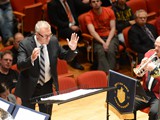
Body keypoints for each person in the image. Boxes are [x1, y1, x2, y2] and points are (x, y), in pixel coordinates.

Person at [14, 20, 79, 118]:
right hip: (28, 86)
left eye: (50, 34)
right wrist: (30, 59)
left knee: (46, 116)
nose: (49, 38)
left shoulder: (53, 41)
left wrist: (72, 50)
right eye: (46, 36)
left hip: (46, 86)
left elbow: (66, 57)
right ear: (37, 35)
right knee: (28, 117)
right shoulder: (25, 44)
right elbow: (19, 65)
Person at [85, 0, 119, 72]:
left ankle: (111, 74)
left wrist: (108, 42)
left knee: (111, 51)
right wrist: (103, 43)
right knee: (100, 52)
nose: (96, 3)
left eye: (97, 1)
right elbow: (92, 32)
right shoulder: (88, 16)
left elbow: (113, 28)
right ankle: (105, 74)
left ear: (101, 2)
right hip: (98, 38)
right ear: (91, 4)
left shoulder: (109, 11)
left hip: (111, 37)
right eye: (93, 2)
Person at [133, 36, 160, 120]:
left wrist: (154, 70)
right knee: (128, 105)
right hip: (145, 92)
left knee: (154, 112)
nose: (156, 49)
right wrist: (141, 66)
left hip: (158, 94)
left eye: (159, 47)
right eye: (155, 45)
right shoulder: (149, 53)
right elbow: (139, 72)